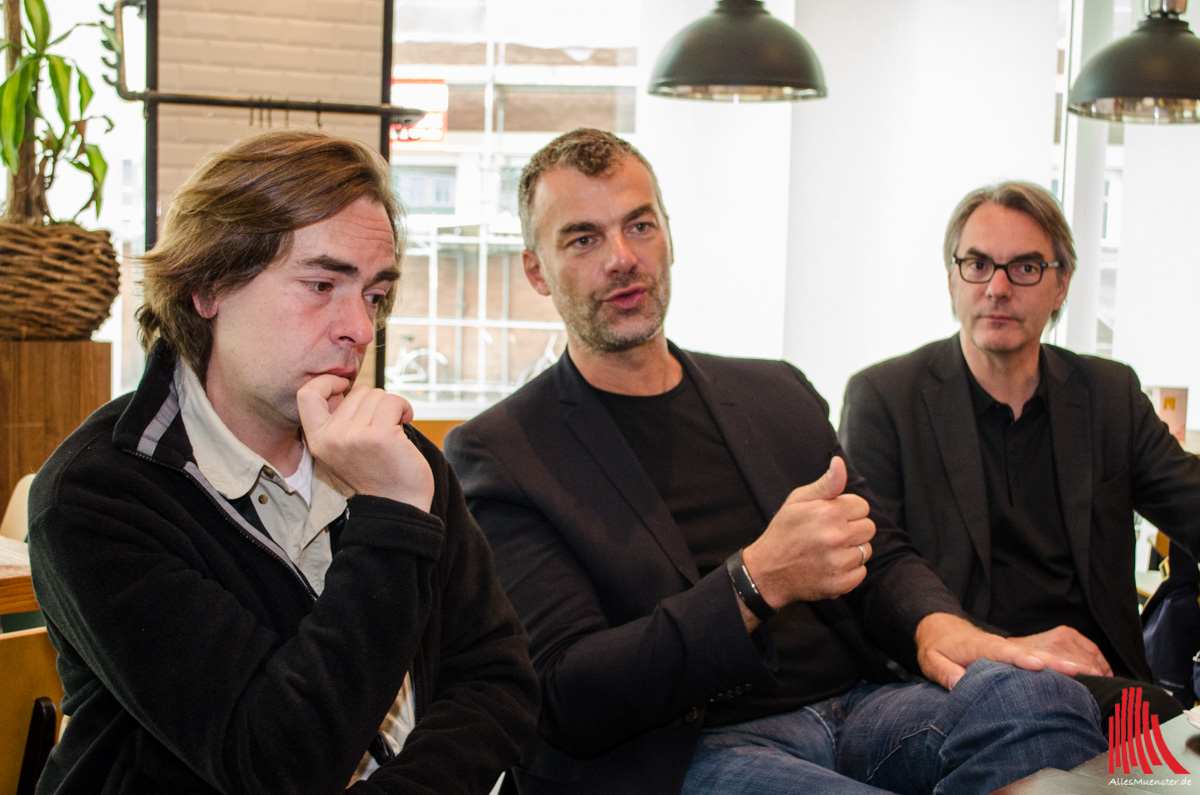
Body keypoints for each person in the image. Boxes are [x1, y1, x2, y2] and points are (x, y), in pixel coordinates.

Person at [443, 128, 1107, 795]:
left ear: (668, 236)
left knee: (1045, 699)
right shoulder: (502, 451)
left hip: (862, 708)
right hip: (683, 751)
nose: (622, 257)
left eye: (639, 226)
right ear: (535, 269)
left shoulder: (773, 392)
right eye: (583, 238)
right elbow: (569, 692)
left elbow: (880, 552)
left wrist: (941, 626)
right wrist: (755, 581)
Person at [28, 130, 538, 794]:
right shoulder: (99, 493)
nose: (358, 326)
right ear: (207, 284)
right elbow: (270, 759)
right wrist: (390, 520)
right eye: (322, 283)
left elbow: (499, 677)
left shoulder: (398, 457)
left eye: (375, 295)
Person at [838, 180, 1200, 721]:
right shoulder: (886, 399)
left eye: (1025, 268)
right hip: (958, 682)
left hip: (1100, 676)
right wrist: (1013, 651)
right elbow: (879, 575)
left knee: (1151, 722)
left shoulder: (1108, 395)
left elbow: (1189, 499)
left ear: (1062, 285)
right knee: (1152, 723)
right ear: (952, 279)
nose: (997, 287)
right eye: (978, 265)